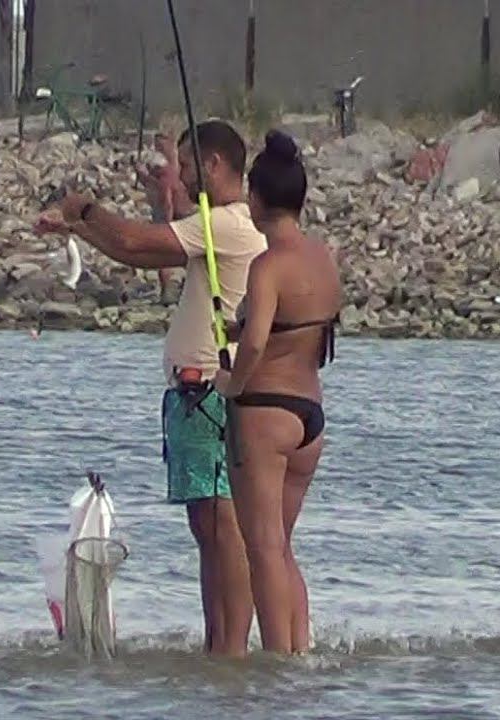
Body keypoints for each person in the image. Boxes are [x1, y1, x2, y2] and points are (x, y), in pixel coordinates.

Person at [34, 120, 266, 657]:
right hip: (193, 400)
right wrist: (79, 227)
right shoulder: (215, 227)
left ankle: (230, 647)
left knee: (222, 529)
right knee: (207, 531)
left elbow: (139, 241)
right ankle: (219, 645)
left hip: (208, 397)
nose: (182, 179)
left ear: (214, 164)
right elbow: (139, 254)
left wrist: (85, 209)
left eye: (187, 167)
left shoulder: (227, 223)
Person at [212, 130, 341, 655]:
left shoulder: (267, 265)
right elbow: (296, 326)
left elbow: (258, 341)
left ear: (257, 198)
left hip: (265, 412)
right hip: (310, 415)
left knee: (261, 549)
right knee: (282, 548)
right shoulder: (322, 259)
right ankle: (298, 653)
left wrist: (232, 383)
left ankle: (276, 663)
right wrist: (241, 327)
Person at [137, 131, 185, 306]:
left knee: (163, 254)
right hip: (173, 212)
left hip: (166, 214)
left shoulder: (167, 172)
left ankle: (168, 292)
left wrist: (167, 223)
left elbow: (167, 198)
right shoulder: (174, 166)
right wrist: (144, 177)